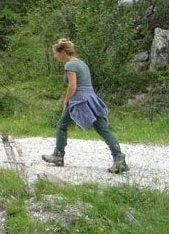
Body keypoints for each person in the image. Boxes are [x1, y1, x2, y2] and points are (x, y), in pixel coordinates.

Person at [41, 38, 129, 174]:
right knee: (102, 129)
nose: (55, 56)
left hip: (79, 100)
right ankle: (119, 158)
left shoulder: (70, 65)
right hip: (90, 98)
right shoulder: (81, 63)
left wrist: (66, 101)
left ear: (63, 52)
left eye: (56, 53)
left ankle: (58, 155)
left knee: (62, 125)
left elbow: (73, 86)